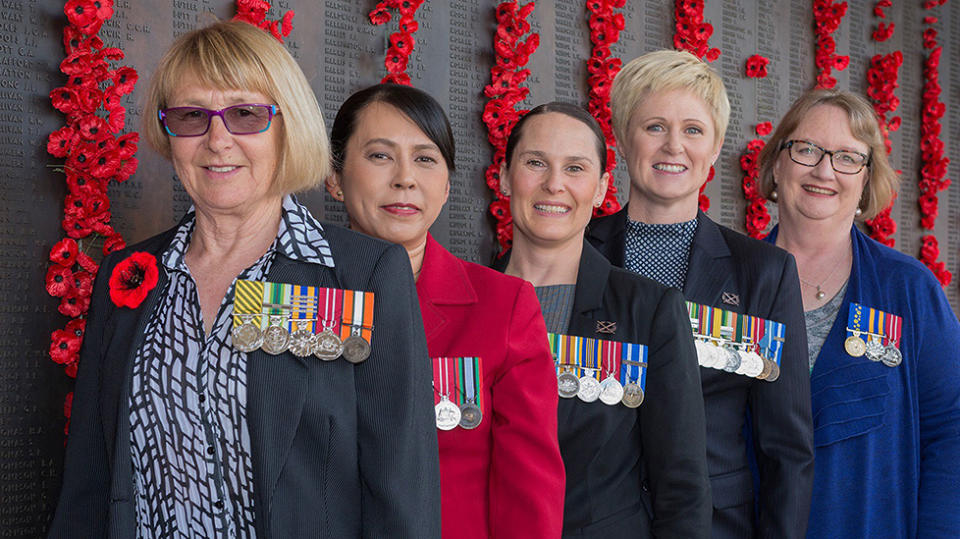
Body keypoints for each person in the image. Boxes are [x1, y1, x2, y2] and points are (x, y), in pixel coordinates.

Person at [49, 21, 440, 538]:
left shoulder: (363, 275)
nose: (217, 140)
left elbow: (400, 494)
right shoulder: (128, 278)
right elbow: (88, 480)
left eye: (245, 114)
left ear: (287, 125)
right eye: (191, 116)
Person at [588, 49, 814, 538]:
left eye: (693, 130)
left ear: (714, 149)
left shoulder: (763, 274)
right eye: (653, 127)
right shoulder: (574, 252)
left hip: (718, 525)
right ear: (622, 142)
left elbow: (788, 449)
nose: (674, 146)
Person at [325, 84, 564, 539]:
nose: (405, 178)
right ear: (333, 177)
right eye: (380, 156)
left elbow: (529, 489)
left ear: (447, 185)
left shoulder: (503, 306)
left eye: (425, 158)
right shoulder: (291, 298)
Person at [492, 101, 711, 538]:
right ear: (503, 177)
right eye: (535, 163)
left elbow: (682, 487)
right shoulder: (467, 300)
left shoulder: (648, 311)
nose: (554, 185)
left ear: (601, 188)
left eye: (575, 168)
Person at [757, 88, 960, 538]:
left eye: (848, 157)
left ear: (867, 180)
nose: (824, 170)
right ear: (777, 163)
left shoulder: (906, 289)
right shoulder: (728, 286)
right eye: (806, 149)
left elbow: (953, 428)